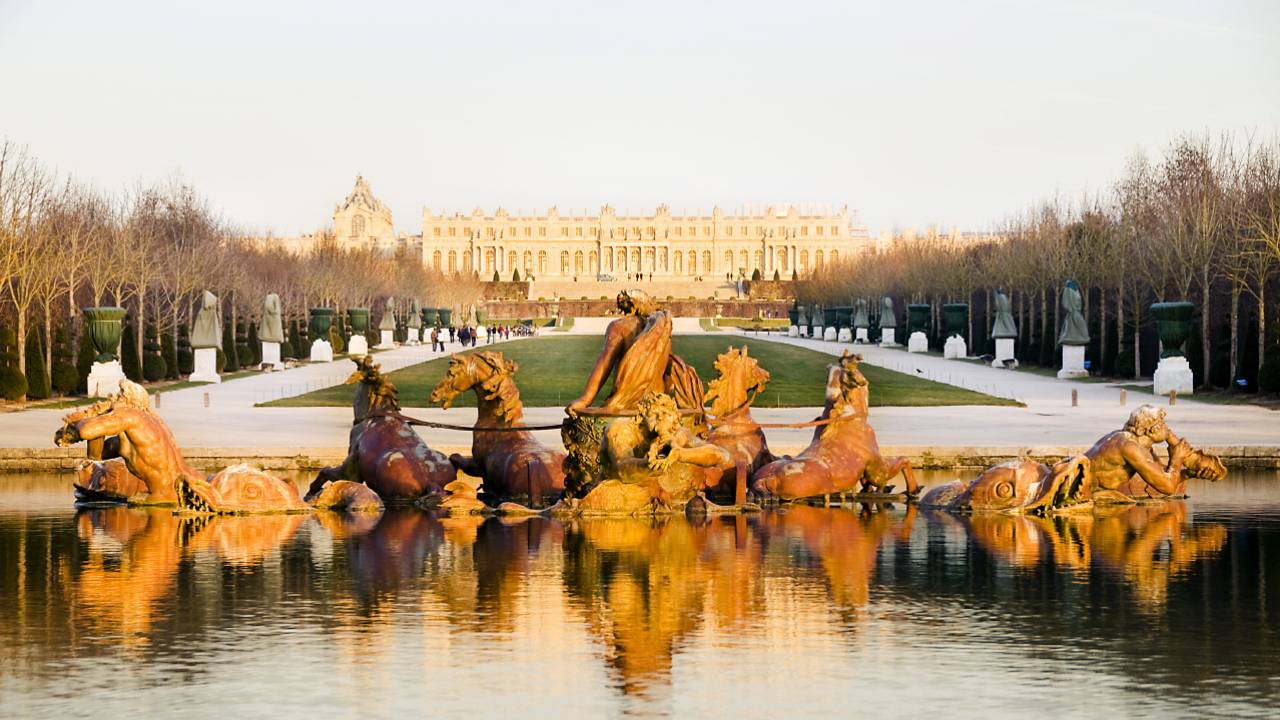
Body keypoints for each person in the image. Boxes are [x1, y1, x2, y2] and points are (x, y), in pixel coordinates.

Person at [565, 289, 702, 416]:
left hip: (627, 405)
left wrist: (586, 399)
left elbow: (605, 362)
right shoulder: (660, 330)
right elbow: (668, 375)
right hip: (656, 404)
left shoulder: (619, 327)